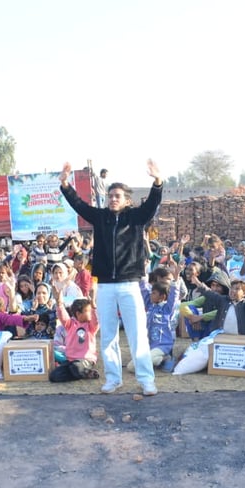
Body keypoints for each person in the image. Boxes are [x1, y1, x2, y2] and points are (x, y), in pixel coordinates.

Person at [59, 159, 163, 396]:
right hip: (105, 285)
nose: (113, 199)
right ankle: (113, 379)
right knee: (108, 336)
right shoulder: (100, 217)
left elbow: (153, 203)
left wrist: (157, 181)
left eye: (118, 196)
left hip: (129, 284)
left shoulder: (136, 217)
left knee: (137, 335)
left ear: (127, 200)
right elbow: (78, 204)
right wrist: (65, 184)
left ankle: (146, 380)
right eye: (110, 196)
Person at [181, 277, 245, 359]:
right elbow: (209, 293)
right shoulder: (223, 300)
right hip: (221, 336)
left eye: (237, 289)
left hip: (241, 340)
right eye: (232, 288)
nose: (233, 291)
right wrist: (198, 283)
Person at [127, 279, 178, 373]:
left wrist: (175, 280)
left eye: (154, 293)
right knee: (130, 367)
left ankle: (164, 357)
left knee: (134, 367)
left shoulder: (167, 309)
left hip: (162, 345)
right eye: (151, 292)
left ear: (162, 297)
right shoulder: (150, 306)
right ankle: (159, 360)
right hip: (149, 345)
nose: (151, 295)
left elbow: (173, 298)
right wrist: (142, 278)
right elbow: (144, 291)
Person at [49, 290, 100, 382]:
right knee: (54, 376)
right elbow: (62, 316)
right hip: (70, 360)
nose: (90, 313)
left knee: (76, 367)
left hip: (86, 359)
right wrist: (59, 303)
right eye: (88, 311)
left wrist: (93, 307)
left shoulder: (91, 326)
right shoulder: (70, 324)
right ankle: (81, 374)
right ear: (78, 314)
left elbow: (96, 321)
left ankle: (88, 372)